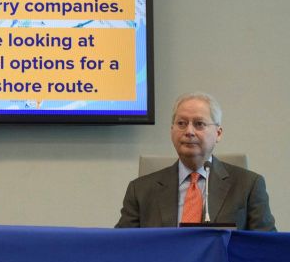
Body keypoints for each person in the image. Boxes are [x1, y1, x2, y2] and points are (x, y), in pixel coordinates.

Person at [116, 92, 275, 231]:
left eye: (199, 124)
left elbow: (266, 249)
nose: (189, 131)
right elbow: (122, 248)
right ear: (172, 130)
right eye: (181, 124)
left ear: (218, 133)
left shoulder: (248, 185)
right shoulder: (140, 190)